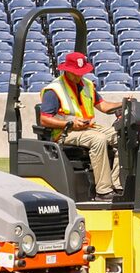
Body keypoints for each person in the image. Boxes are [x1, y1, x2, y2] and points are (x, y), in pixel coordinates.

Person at [37, 48, 127, 195]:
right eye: (76, 72)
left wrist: (123, 103)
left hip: (87, 128)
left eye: (82, 72)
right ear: (67, 70)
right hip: (65, 132)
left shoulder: (87, 85)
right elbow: (44, 119)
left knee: (122, 136)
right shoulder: (54, 90)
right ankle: (103, 191)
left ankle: (117, 183)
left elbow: (103, 106)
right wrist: (70, 124)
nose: (80, 75)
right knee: (99, 139)